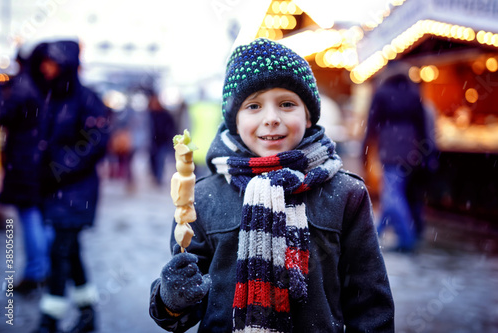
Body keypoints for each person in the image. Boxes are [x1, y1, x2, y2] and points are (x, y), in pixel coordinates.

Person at [149, 38, 394, 332]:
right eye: (253, 106)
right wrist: (170, 300)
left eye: (287, 104)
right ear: (234, 120)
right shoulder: (204, 196)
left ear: (308, 115)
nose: (271, 119)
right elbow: (182, 313)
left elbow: (369, 303)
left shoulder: (345, 194)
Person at [28, 39, 110, 333]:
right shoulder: (52, 96)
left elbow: (95, 142)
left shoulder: (86, 99)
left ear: (65, 65)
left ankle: (50, 317)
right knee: (70, 250)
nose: (45, 68)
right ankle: (88, 313)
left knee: (60, 250)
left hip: (77, 192)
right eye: (43, 63)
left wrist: (58, 167)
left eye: (52, 62)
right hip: (56, 189)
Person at [0, 42, 53, 294]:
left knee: (30, 216)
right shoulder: (46, 85)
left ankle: (35, 271)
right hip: (40, 160)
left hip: (24, 161)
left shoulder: (23, 85)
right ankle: (46, 267)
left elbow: (4, 114)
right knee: (40, 216)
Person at [363, 62, 432, 252]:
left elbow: (371, 125)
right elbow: (423, 126)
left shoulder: (382, 92)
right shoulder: (413, 92)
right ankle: (374, 234)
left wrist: (365, 151)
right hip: (410, 149)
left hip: (390, 148)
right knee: (393, 192)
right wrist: (424, 151)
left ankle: (406, 238)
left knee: (392, 194)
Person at [147, 90, 176, 186]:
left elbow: (171, 126)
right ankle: (154, 175)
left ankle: (158, 178)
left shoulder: (164, 114)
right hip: (152, 142)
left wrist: (167, 135)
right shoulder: (150, 114)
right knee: (153, 160)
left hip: (162, 141)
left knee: (160, 160)